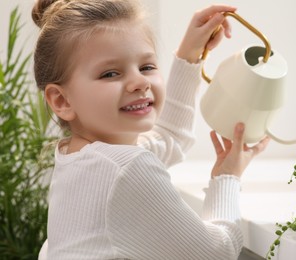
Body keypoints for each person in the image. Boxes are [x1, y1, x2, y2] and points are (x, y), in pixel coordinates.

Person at [32, 0, 270, 259]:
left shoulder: (79, 158)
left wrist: (189, 54)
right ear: (61, 101)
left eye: (146, 67)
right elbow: (217, 253)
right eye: (110, 74)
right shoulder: (125, 168)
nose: (139, 82)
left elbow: (169, 138)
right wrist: (228, 179)